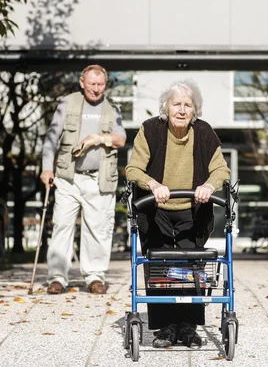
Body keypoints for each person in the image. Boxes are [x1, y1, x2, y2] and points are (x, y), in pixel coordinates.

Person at [125, 79, 231, 348]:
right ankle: (166, 327)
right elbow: (133, 169)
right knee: (159, 268)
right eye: (176, 104)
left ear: (195, 110)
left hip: (192, 211)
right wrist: (153, 184)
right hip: (155, 209)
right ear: (166, 107)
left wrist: (208, 185)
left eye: (188, 105)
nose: (182, 110)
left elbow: (221, 169)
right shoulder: (151, 130)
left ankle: (187, 327)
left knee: (189, 268)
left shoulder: (204, 133)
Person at [40, 65, 127, 295]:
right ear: (82, 82)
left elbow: (120, 139)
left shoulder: (112, 108)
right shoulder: (67, 103)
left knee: (97, 229)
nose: (96, 89)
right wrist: (46, 168)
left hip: (99, 180)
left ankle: (95, 276)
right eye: (92, 84)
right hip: (68, 178)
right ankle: (57, 277)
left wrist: (97, 138)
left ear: (105, 85)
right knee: (62, 226)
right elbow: (51, 137)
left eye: (100, 85)